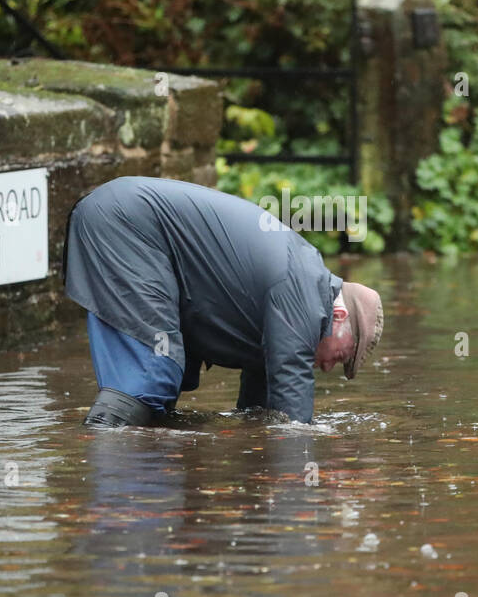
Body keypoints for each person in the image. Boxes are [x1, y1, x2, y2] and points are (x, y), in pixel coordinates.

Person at [63, 176, 384, 427]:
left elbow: (261, 407)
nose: (328, 366)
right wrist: (295, 471)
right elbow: (292, 413)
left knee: (161, 399)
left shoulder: (300, 291)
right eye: (342, 356)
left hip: (123, 218)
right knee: (152, 373)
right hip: (127, 224)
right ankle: (98, 454)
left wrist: (252, 434)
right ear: (339, 315)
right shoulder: (303, 288)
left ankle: (123, 473)